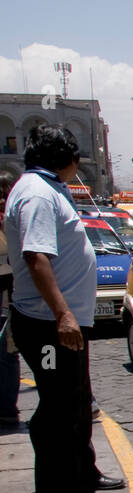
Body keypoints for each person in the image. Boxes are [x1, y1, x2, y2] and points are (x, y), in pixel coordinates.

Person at [2, 124, 123, 493]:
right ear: (65, 159)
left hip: (65, 323)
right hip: (49, 326)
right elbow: (37, 257)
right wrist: (63, 314)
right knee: (55, 409)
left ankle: (82, 474)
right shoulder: (37, 194)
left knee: (75, 401)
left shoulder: (47, 188)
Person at [0, 171, 19, 427]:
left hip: (16, 299)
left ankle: (7, 407)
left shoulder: (15, 223)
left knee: (8, 352)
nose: (3, 201)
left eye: (7, 195)